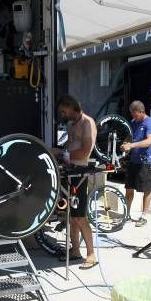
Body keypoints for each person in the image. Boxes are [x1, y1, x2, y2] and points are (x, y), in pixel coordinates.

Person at [55, 94, 98, 270]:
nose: (63, 115)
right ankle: (75, 250)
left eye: (64, 111)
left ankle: (91, 255)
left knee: (80, 216)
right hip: (70, 171)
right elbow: (71, 147)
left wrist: (63, 154)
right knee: (71, 216)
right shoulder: (72, 124)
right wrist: (61, 153)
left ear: (72, 107)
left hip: (80, 173)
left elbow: (85, 151)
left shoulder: (87, 123)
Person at [121, 100, 151, 227]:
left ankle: (144, 216)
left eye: (135, 115)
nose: (133, 118)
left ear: (142, 112)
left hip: (145, 162)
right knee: (129, 188)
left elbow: (149, 141)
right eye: (132, 115)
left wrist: (132, 145)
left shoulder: (150, 123)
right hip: (133, 161)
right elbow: (130, 137)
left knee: (146, 190)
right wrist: (125, 143)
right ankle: (126, 214)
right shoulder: (133, 122)